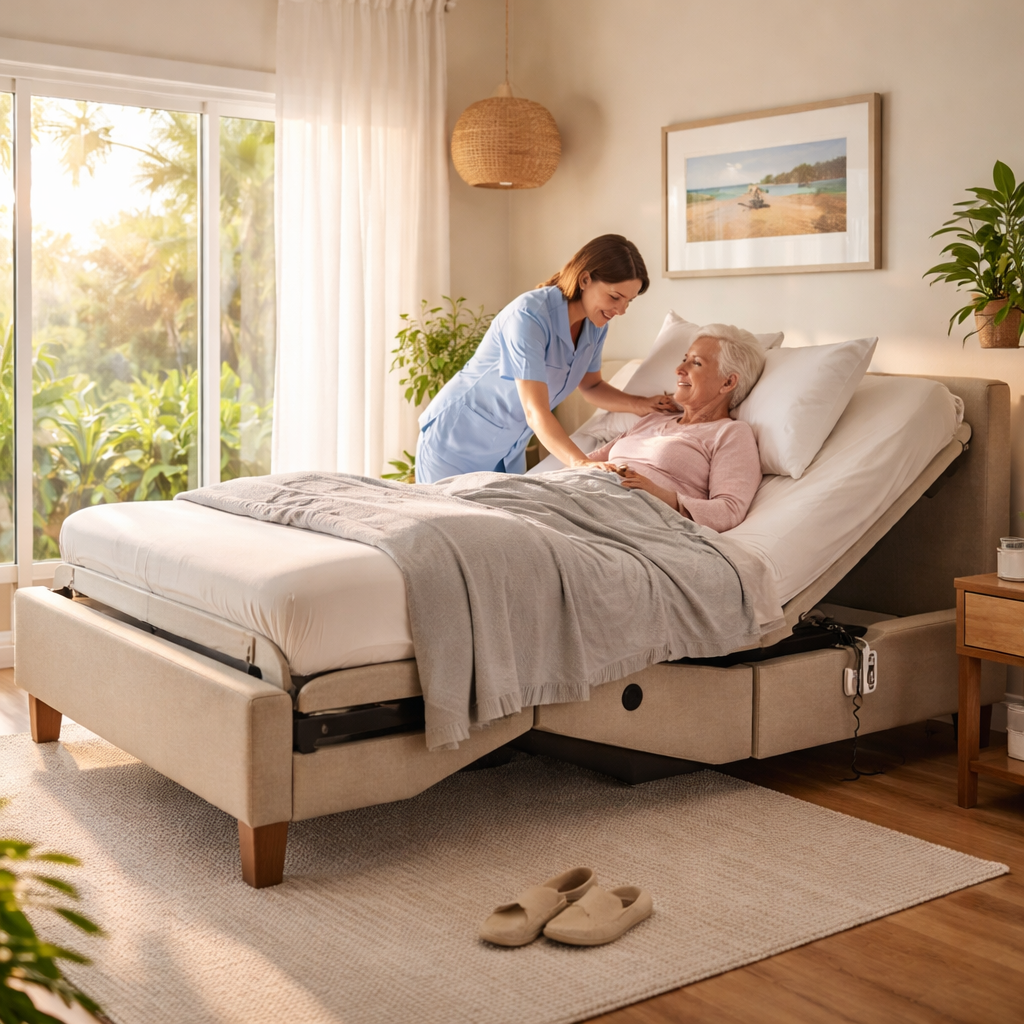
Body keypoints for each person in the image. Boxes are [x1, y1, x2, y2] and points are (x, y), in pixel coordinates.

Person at [415, 235, 676, 484]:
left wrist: (641, 404)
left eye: (628, 301)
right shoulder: (529, 315)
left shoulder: (596, 326)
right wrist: (580, 463)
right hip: (455, 442)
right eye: (615, 297)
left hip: (507, 450)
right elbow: (535, 410)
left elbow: (592, 386)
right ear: (585, 280)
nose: (620, 310)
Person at [588, 325, 766, 533]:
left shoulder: (730, 433)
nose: (679, 370)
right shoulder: (652, 420)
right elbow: (584, 462)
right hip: (584, 492)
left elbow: (729, 510)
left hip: (627, 515)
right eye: (685, 359)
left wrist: (659, 494)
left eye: (696, 363)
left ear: (727, 382)